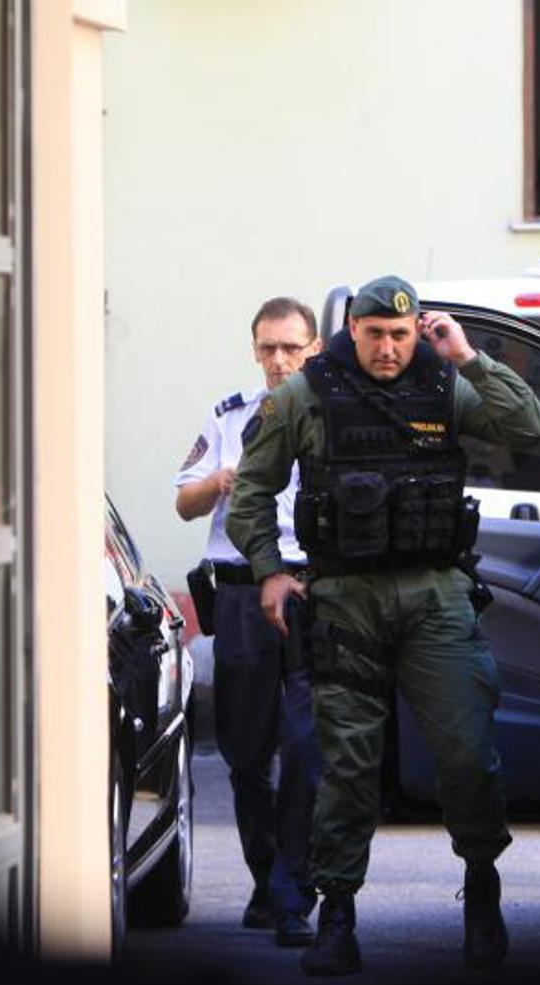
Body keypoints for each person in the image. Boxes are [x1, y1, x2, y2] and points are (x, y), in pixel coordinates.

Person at [227, 275, 540, 975]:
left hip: (436, 598)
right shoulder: (305, 394)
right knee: (347, 768)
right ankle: (337, 915)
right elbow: (251, 492)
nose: (388, 348)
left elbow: (529, 426)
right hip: (346, 601)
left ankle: (482, 887)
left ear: (415, 331)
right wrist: (270, 570)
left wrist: (468, 356)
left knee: (467, 754)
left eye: (401, 335)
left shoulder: (444, 384)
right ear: (353, 331)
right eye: (375, 334)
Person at [174, 296, 323, 947]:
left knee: (309, 749)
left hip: (312, 591)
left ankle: (291, 890)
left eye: (292, 347)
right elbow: (184, 502)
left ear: (314, 349)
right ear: (255, 350)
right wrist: (221, 481)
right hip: (239, 596)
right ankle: (268, 880)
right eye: (268, 348)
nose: (279, 360)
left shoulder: (332, 413)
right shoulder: (231, 415)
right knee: (244, 755)